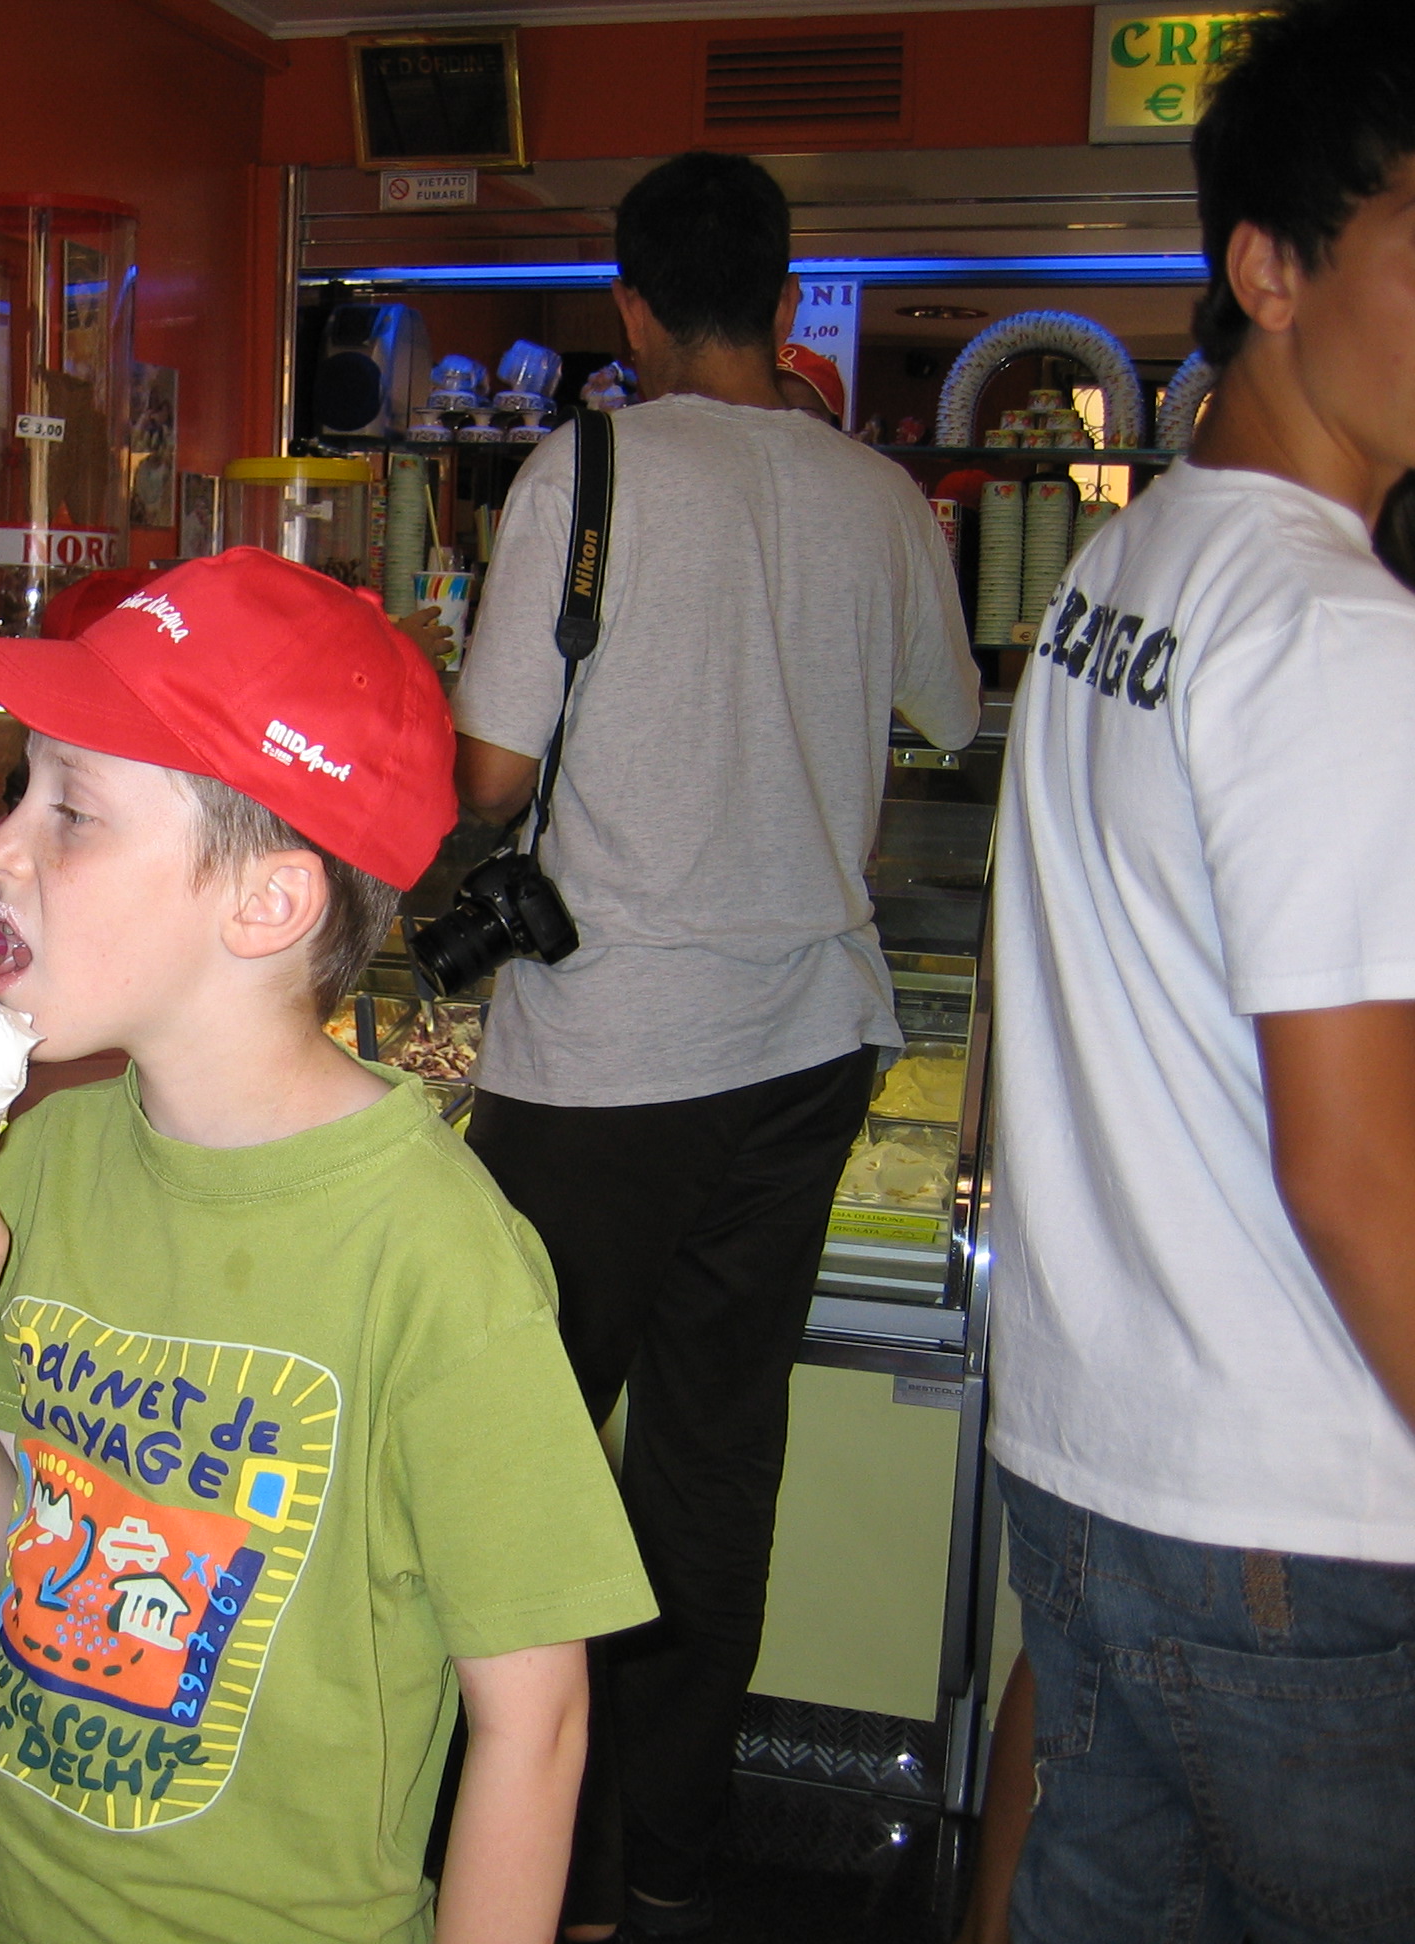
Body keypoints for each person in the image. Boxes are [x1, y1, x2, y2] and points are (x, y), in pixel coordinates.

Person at [0, 548, 657, 1944]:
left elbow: (536, 1725)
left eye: (72, 811)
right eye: (20, 790)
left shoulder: (437, 1262)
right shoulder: (45, 1158)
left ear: (266, 904)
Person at [450, 151, 981, 1939]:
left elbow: (491, 777)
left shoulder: (580, 469)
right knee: (709, 1461)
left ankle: (522, 1853)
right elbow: (948, 711)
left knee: (507, 1453)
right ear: (782, 292)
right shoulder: (874, 492)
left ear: (632, 305)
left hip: (603, 1061)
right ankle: (663, 1849)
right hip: (805, 1046)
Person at [987, 2, 1415, 1936]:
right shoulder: (1335, 634)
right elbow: (1356, 1173)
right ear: (1268, 267)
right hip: (1305, 1520)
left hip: (1097, 1472)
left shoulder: (1125, 567)